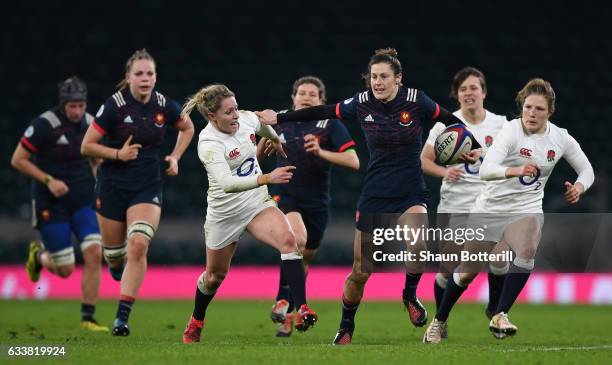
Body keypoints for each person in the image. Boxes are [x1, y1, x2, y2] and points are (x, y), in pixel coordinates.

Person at [256, 48, 480, 345]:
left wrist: (470, 144)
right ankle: (346, 324)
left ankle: (410, 294)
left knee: (418, 243)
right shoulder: (361, 103)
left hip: (411, 190)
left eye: (384, 76)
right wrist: (281, 117)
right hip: (374, 193)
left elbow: (453, 121)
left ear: (398, 79)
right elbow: (323, 111)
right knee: (361, 273)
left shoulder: (416, 100)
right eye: (373, 77)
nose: (377, 82)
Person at [422, 78, 594, 343]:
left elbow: (586, 169)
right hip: (490, 207)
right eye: (527, 107)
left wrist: (579, 187)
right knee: (467, 271)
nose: (531, 114)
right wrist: (515, 170)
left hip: (526, 207)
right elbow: (487, 169)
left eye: (538, 109)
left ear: (550, 112)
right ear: (521, 108)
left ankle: (500, 313)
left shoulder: (560, 138)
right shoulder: (511, 131)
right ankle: (440, 320)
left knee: (526, 249)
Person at [180, 83, 318, 344]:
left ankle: (301, 308)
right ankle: (197, 318)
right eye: (229, 112)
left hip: (256, 204)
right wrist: (268, 176)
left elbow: (260, 124)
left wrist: (274, 139)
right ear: (212, 116)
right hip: (224, 214)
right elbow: (227, 183)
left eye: (235, 108)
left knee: (290, 242)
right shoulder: (208, 143)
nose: (236, 115)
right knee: (214, 277)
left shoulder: (243, 118)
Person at [81, 49, 195, 336]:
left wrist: (175, 157)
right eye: (139, 74)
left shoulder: (164, 105)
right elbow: (87, 146)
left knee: (139, 245)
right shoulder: (114, 106)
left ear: (155, 77)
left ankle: (121, 317)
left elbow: (188, 126)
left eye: (149, 73)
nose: (145, 78)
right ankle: (118, 267)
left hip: (147, 184)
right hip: (111, 185)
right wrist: (118, 154)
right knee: (115, 257)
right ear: (128, 77)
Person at [257, 76, 359, 337]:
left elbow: (353, 161)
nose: (306, 97)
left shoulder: (329, 124)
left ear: (321, 100)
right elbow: (252, 158)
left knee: (303, 258)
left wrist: (321, 152)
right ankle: (282, 301)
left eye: (313, 94)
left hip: (317, 204)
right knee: (296, 239)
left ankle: (287, 312)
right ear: (293, 97)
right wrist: (261, 149)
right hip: (284, 195)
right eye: (302, 92)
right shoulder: (277, 121)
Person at [11, 76, 108, 332]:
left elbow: (96, 160)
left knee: (94, 252)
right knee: (65, 269)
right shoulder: (44, 125)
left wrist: (100, 175)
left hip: (83, 199)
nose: (77, 111)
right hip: (50, 202)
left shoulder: (90, 124)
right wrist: (48, 180)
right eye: (72, 106)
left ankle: (88, 317)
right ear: (63, 104)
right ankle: (39, 256)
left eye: (81, 105)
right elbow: (18, 159)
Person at [420, 67, 508, 339]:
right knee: (448, 268)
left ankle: (495, 310)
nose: (469, 93)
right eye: (463, 89)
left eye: (474, 87)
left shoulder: (501, 124)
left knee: (500, 255)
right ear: (456, 94)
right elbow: (423, 160)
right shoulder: (445, 123)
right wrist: (445, 172)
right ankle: (441, 320)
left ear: (484, 92)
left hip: (490, 203)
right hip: (455, 204)